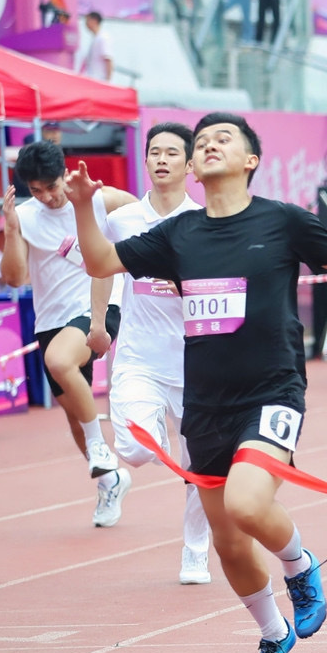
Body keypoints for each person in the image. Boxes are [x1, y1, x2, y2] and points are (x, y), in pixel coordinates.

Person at [68, 112, 327, 653]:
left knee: (248, 504)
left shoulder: (284, 221)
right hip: (207, 404)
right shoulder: (179, 234)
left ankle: (299, 566)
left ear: (250, 160)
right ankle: (273, 636)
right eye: (202, 143)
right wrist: (80, 206)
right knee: (228, 541)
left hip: (273, 391)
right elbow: (100, 263)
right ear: (193, 168)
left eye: (224, 139)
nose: (209, 146)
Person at [0, 141, 136, 526]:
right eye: (36, 191)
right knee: (75, 417)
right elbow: (13, 278)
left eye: (51, 186)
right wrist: (11, 229)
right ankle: (110, 480)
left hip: (100, 305)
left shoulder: (99, 199)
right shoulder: (26, 216)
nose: (47, 197)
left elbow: (148, 218)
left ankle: (101, 449)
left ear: (65, 175)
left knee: (58, 360)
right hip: (51, 320)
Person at [103, 123, 213, 583]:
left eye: (172, 152)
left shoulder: (205, 223)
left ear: (190, 165)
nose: (162, 159)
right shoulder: (122, 221)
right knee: (132, 447)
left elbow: (225, 291)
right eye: (154, 152)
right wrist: (98, 319)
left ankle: (195, 552)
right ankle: (151, 441)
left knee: (200, 468)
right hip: (138, 357)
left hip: (196, 364)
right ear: (145, 161)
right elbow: (98, 265)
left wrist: (188, 287)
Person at [77, 12, 112, 83]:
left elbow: (108, 60)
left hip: (100, 80)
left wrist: (108, 81)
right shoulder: (96, 38)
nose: (85, 24)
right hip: (92, 78)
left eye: (87, 21)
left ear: (94, 20)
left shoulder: (103, 38)